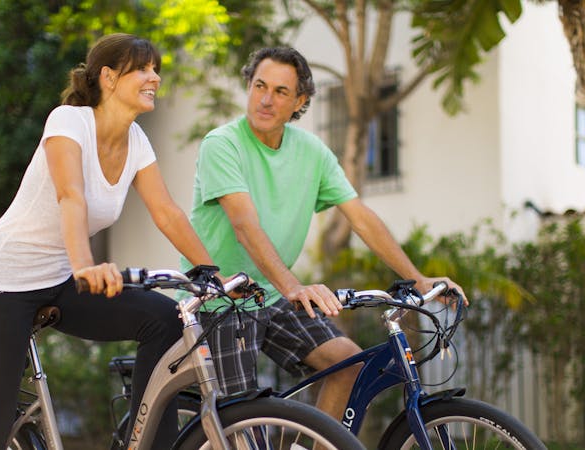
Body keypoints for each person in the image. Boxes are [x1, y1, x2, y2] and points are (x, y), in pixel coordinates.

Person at [0, 34, 231, 449]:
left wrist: (210, 273)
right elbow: (71, 195)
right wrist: (86, 266)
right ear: (108, 76)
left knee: (167, 321)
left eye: (156, 68)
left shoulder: (137, 141)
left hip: (62, 279)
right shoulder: (69, 121)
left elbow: (166, 211)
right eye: (142, 68)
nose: (154, 76)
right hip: (1, 287)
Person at [182, 46, 467, 422]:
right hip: (221, 299)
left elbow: (359, 216)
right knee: (244, 427)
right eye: (259, 86)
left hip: (270, 293)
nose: (265, 100)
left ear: (300, 100)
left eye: (280, 92)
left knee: (348, 365)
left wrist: (417, 278)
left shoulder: (311, 151)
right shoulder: (223, 144)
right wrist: (295, 288)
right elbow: (245, 226)